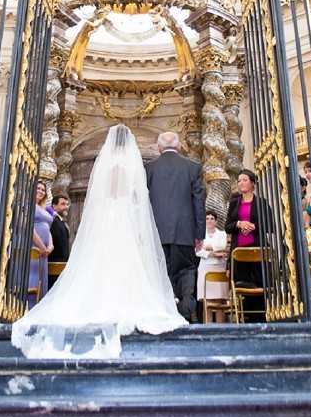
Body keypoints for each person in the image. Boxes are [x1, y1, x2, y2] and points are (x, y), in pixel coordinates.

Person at [11, 125, 186, 359]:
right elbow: (136, 198)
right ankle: (128, 300)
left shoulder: (108, 165)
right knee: (127, 258)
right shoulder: (131, 167)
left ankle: (96, 299)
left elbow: (103, 196)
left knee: (101, 258)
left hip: (107, 215)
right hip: (125, 216)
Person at [146, 131, 206, 323]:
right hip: (185, 233)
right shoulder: (192, 167)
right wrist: (200, 234)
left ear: (159, 147)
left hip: (157, 233)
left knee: (163, 273)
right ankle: (187, 309)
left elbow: (143, 203)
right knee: (187, 270)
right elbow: (199, 203)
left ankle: (167, 314)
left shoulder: (149, 168)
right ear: (179, 146)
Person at [225, 169, 272, 292]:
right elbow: (227, 227)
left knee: (259, 286)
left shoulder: (262, 203)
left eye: (244, 180)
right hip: (238, 253)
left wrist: (254, 227)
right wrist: (239, 224)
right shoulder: (234, 203)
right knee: (241, 289)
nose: (241, 183)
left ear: (252, 183)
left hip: (257, 251)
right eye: (239, 181)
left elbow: (271, 226)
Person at [196, 211, 228, 323]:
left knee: (220, 302)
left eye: (212, 218)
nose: (209, 221)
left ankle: (221, 329)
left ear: (216, 221)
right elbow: (198, 250)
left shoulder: (222, 234)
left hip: (219, 267)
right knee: (207, 302)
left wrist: (209, 246)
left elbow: (223, 247)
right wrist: (212, 253)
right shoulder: (200, 234)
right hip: (205, 268)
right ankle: (208, 328)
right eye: (207, 218)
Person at [27, 180, 53, 309]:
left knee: (41, 279)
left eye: (43, 190)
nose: (41, 191)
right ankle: (29, 307)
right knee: (32, 277)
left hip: (44, 251)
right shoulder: (27, 205)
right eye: (38, 188)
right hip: (33, 247)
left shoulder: (43, 208)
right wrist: (41, 247)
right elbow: (27, 227)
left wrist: (50, 245)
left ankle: (39, 307)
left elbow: (48, 228)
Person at [47, 193, 70, 289]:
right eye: (63, 204)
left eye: (67, 204)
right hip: (55, 266)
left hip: (62, 265)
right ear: (54, 206)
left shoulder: (60, 222)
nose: (66, 207)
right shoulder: (54, 222)